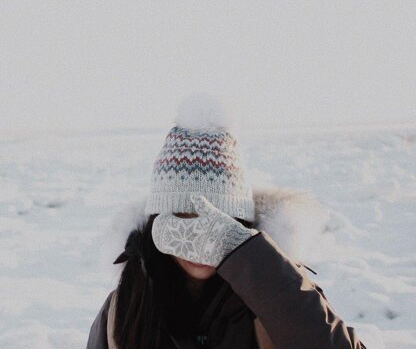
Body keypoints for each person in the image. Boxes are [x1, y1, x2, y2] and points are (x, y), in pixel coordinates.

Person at [86, 94, 367, 349]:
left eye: (219, 219)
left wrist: (251, 259)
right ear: (157, 223)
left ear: (240, 223)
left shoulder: (280, 293)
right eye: (185, 216)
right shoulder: (124, 309)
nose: (201, 238)